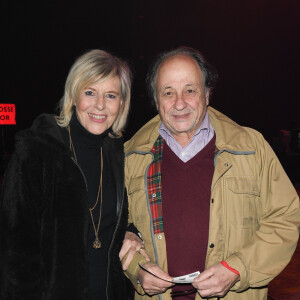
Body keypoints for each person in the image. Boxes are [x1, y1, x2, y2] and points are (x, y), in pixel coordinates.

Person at [122, 47, 300, 300]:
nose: (180, 102)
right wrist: (136, 270)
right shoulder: (131, 156)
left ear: (207, 94)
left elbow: (285, 217)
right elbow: (113, 229)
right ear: (155, 99)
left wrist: (238, 268)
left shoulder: (251, 148)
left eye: (190, 90)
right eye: (168, 92)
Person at [0, 49, 146, 300]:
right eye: (90, 92)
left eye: (110, 95)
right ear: (74, 95)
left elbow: (117, 222)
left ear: (122, 102)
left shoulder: (119, 154)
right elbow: (16, 253)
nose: (100, 105)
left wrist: (132, 231)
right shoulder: (37, 151)